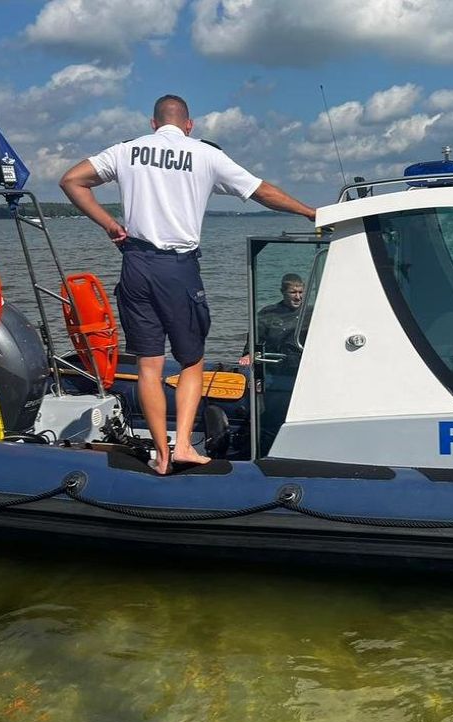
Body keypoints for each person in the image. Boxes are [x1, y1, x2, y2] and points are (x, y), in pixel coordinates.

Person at [60, 94, 315, 473]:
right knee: (191, 362)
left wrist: (110, 225)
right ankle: (182, 447)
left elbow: (71, 180)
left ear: (153, 123)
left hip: (135, 264)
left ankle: (161, 456)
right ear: (189, 125)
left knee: (149, 365)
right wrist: (309, 212)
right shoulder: (205, 154)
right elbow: (262, 191)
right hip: (177, 268)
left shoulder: (127, 150)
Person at [238, 273, 306, 369]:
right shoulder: (268, 313)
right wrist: (249, 354)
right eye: (293, 292)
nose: (298, 297)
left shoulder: (311, 313)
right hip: (275, 365)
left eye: (300, 292)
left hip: (302, 364)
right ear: (283, 292)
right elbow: (255, 337)